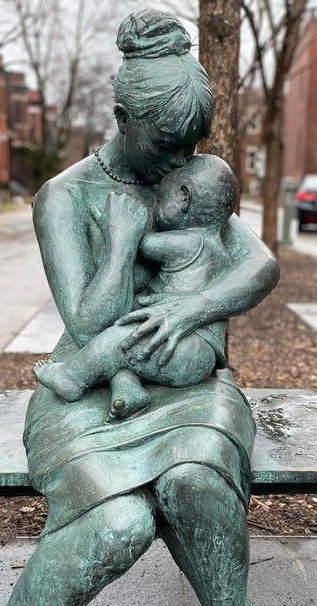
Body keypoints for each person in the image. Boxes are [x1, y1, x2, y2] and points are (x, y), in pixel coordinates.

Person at [0, 10, 279, 606]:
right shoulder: (66, 199)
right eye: (166, 144)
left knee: (196, 483)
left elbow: (259, 262)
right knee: (119, 523)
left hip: (191, 385)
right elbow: (88, 322)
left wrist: (194, 306)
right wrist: (128, 246)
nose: (179, 163)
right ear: (124, 117)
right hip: (97, 388)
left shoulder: (197, 184)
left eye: (191, 147)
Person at [32, 153, 239, 421]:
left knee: (117, 342)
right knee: (128, 350)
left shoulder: (190, 243)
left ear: (185, 197)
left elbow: (139, 244)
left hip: (186, 349)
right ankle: (128, 390)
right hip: (198, 351)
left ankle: (72, 377)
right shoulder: (217, 246)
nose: (155, 207)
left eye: (161, 199)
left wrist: (119, 227)